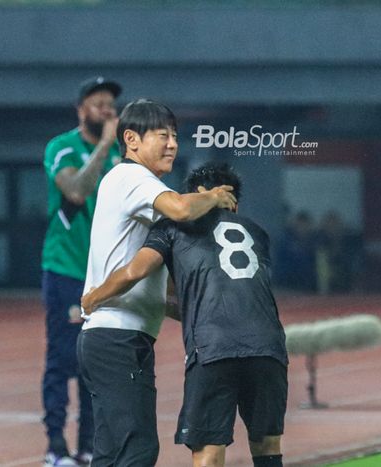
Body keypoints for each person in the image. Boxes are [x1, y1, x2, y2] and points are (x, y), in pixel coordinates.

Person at [81, 163, 288, 467]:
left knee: (208, 450)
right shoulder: (257, 233)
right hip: (269, 347)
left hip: (213, 349)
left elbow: (135, 271)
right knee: (267, 446)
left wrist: (94, 296)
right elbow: (226, 291)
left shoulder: (173, 227)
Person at [76, 100, 237, 467]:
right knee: (136, 452)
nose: (172, 144)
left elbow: (151, 286)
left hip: (111, 338)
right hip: (117, 339)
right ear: (131, 139)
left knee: (113, 454)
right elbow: (181, 208)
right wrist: (214, 196)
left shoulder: (128, 187)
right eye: (163, 135)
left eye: (175, 136)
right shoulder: (132, 178)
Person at [41, 76, 123, 467]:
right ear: (81, 110)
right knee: (62, 358)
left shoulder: (121, 156)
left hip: (104, 274)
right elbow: (74, 190)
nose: (107, 110)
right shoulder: (63, 147)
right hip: (65, 270)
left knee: (97, 361)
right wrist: (106, 145)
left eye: (111, 104)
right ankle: (56, 447)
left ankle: (89, 446)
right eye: (99, 103)